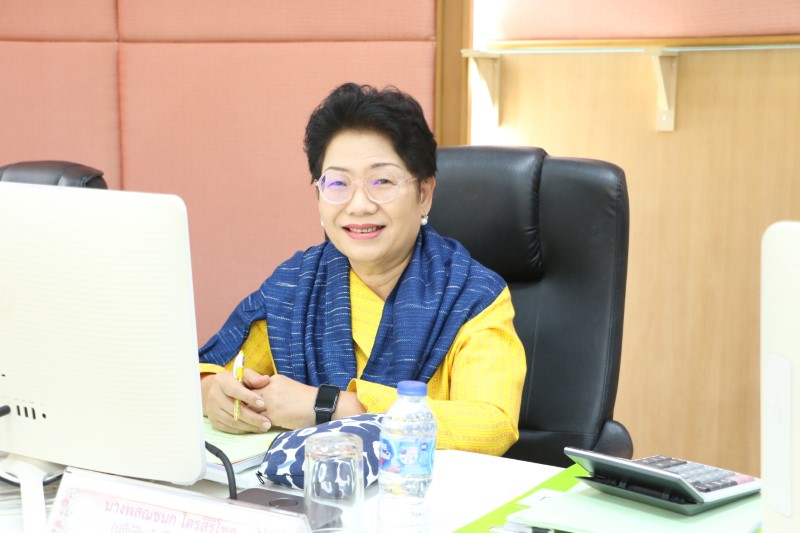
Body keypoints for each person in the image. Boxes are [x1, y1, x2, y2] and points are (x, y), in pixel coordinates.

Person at [199, 82, 525, 456]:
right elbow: (204, 373)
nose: (359, 205)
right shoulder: (293, 288)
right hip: (306, 488)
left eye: (381, 181)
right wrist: (212, 395)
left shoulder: (472, 296)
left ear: (424, 194)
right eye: (338, 183)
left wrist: (332, 408)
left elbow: (492, 425)